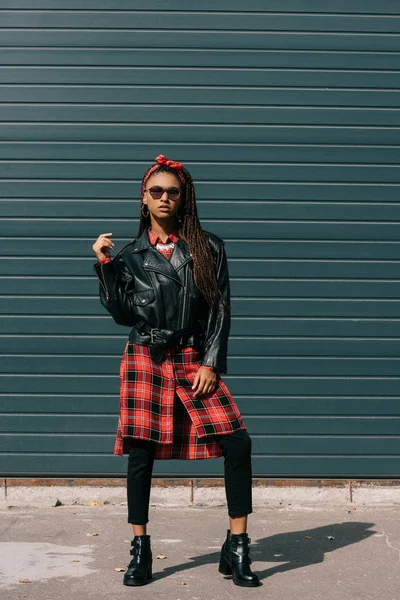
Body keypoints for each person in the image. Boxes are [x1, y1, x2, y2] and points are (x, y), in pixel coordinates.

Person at [92, 154, 260, 588]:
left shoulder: (209, 248)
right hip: (145, 358)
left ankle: (237, 547)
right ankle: (140, 550)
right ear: (144, 199)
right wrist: (107, 269)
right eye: (156, 191)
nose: (164, 198)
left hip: (191, 358)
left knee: (237, 443)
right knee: (140, 454)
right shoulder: (129, 257)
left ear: (184, 199)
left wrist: (210, 361)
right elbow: (122, 316)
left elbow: (221, 308)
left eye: (173, 191)